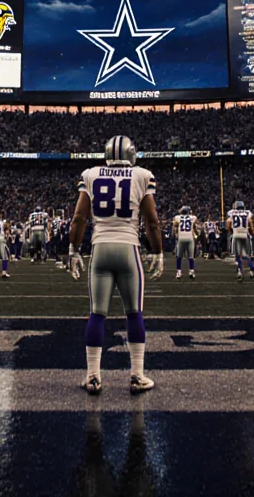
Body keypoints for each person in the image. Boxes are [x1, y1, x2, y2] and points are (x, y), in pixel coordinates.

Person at [73, 135, 161, 395]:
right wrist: (157, 251)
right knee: (134, 313)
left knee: (97, 313)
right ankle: (136, 375)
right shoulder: (142, 174)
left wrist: (73, 250)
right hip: (128, 248)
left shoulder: (90, 174)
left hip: (100, 248)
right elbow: (152, 221)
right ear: (131, 153)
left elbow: (79, 218)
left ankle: (93, 377)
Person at [227, 199, 254, 282]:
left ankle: (239, 272)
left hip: (236, 235)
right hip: (245, 234)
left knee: (238, 255)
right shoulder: (247, 213)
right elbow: (250, 221)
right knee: (248, 254)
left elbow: (228, 223)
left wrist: (231, 231)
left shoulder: (232, 212)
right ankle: (251, 270)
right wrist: (253, 232)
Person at [171, 205, 198, 280]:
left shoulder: (177, 217)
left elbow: (175, 226)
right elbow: (194, 225)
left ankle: (179, 272)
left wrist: (175, 234)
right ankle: (191, 271)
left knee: (179, 257)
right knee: (191, 257)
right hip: (190, 238)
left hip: (181, 238)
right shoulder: (193, 217)